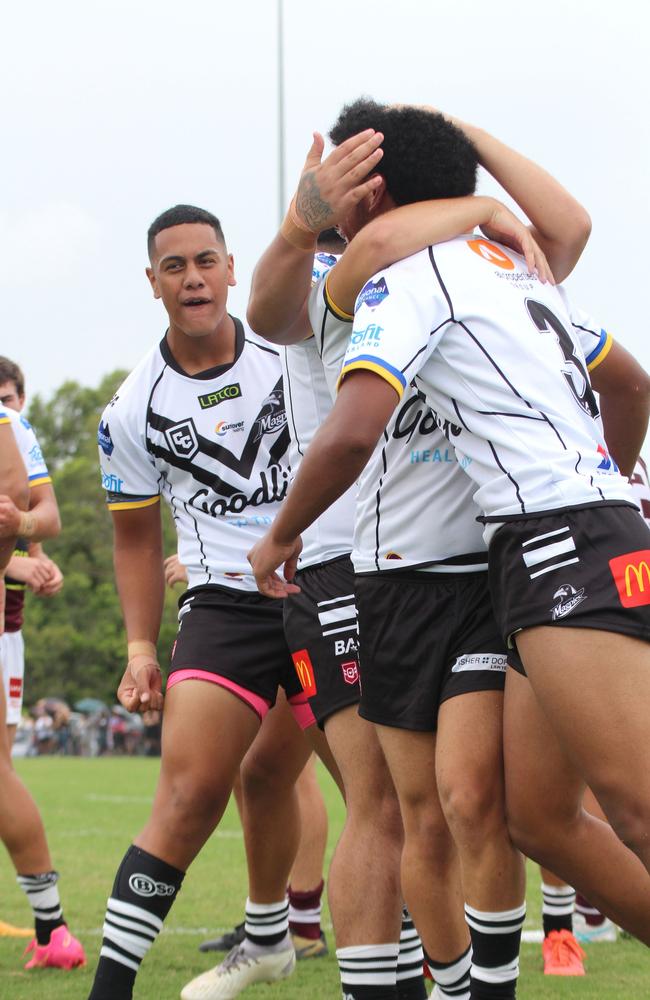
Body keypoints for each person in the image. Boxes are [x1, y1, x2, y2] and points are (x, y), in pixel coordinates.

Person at [248, 99, 650, 984]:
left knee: (580, 803)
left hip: (544, 548)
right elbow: (630, 380)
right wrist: (467, 197)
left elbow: (354, 424)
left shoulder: (443, 273)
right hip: (466, 560)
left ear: (373, 192)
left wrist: (278, 534)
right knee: (513, 816)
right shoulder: (485, 263)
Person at [87, 204, 336, 1000]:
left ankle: (336, 949)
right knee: (193, 790)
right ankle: (112, 989)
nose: (193, 278)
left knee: (376, 796)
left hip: (328, 580)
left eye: (206, 261)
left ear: (232, 268)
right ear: (153, 283)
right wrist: (137, 649)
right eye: (174, 266)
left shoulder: (292, 339)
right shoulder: (132, 409)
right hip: (224, 604)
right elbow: (133, 540)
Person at [0, 401, 85, 969]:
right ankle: (53, 930)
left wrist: (24, 540)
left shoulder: (9, 426)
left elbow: (40, 516)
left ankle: (54, 929)